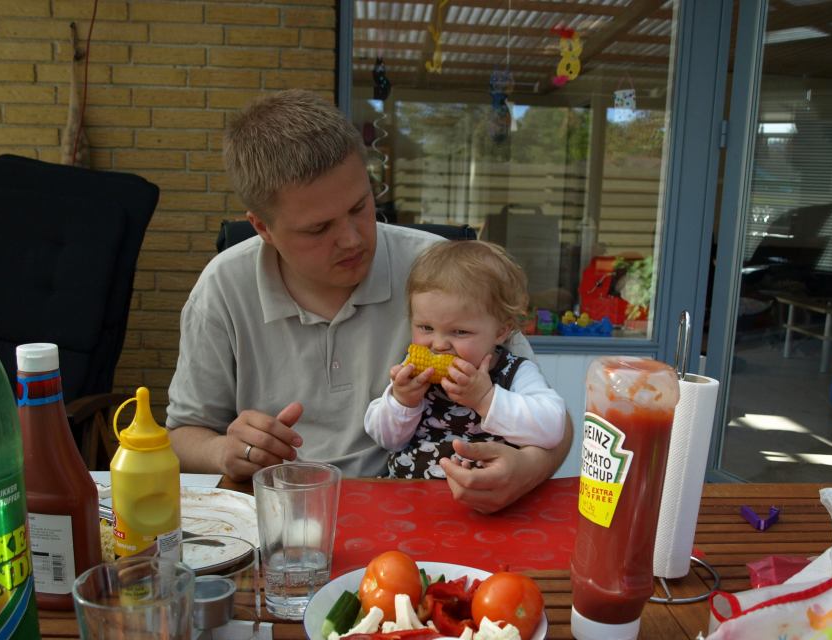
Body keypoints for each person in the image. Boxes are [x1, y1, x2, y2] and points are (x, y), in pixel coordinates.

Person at [165, 89, 572, 512]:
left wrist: (526, 470)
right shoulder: (223, 288)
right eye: (319, 228)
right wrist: (224, 451)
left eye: (361, 207)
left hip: (419, 505)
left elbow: (555, 424)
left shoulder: (443, 272)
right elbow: (181, 435)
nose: (352, 239)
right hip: (281, 511)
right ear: (262, 228)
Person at [365, 240, 565, 479]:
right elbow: (387, 440)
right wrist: (402, 402)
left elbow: (553, 428)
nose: (439, 345)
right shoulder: (411, 372)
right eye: (426, 327)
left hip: (485, 491)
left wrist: (486, 399)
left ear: (501, 331)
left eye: (460, 332)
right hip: (409, 490)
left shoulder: (515, 372)